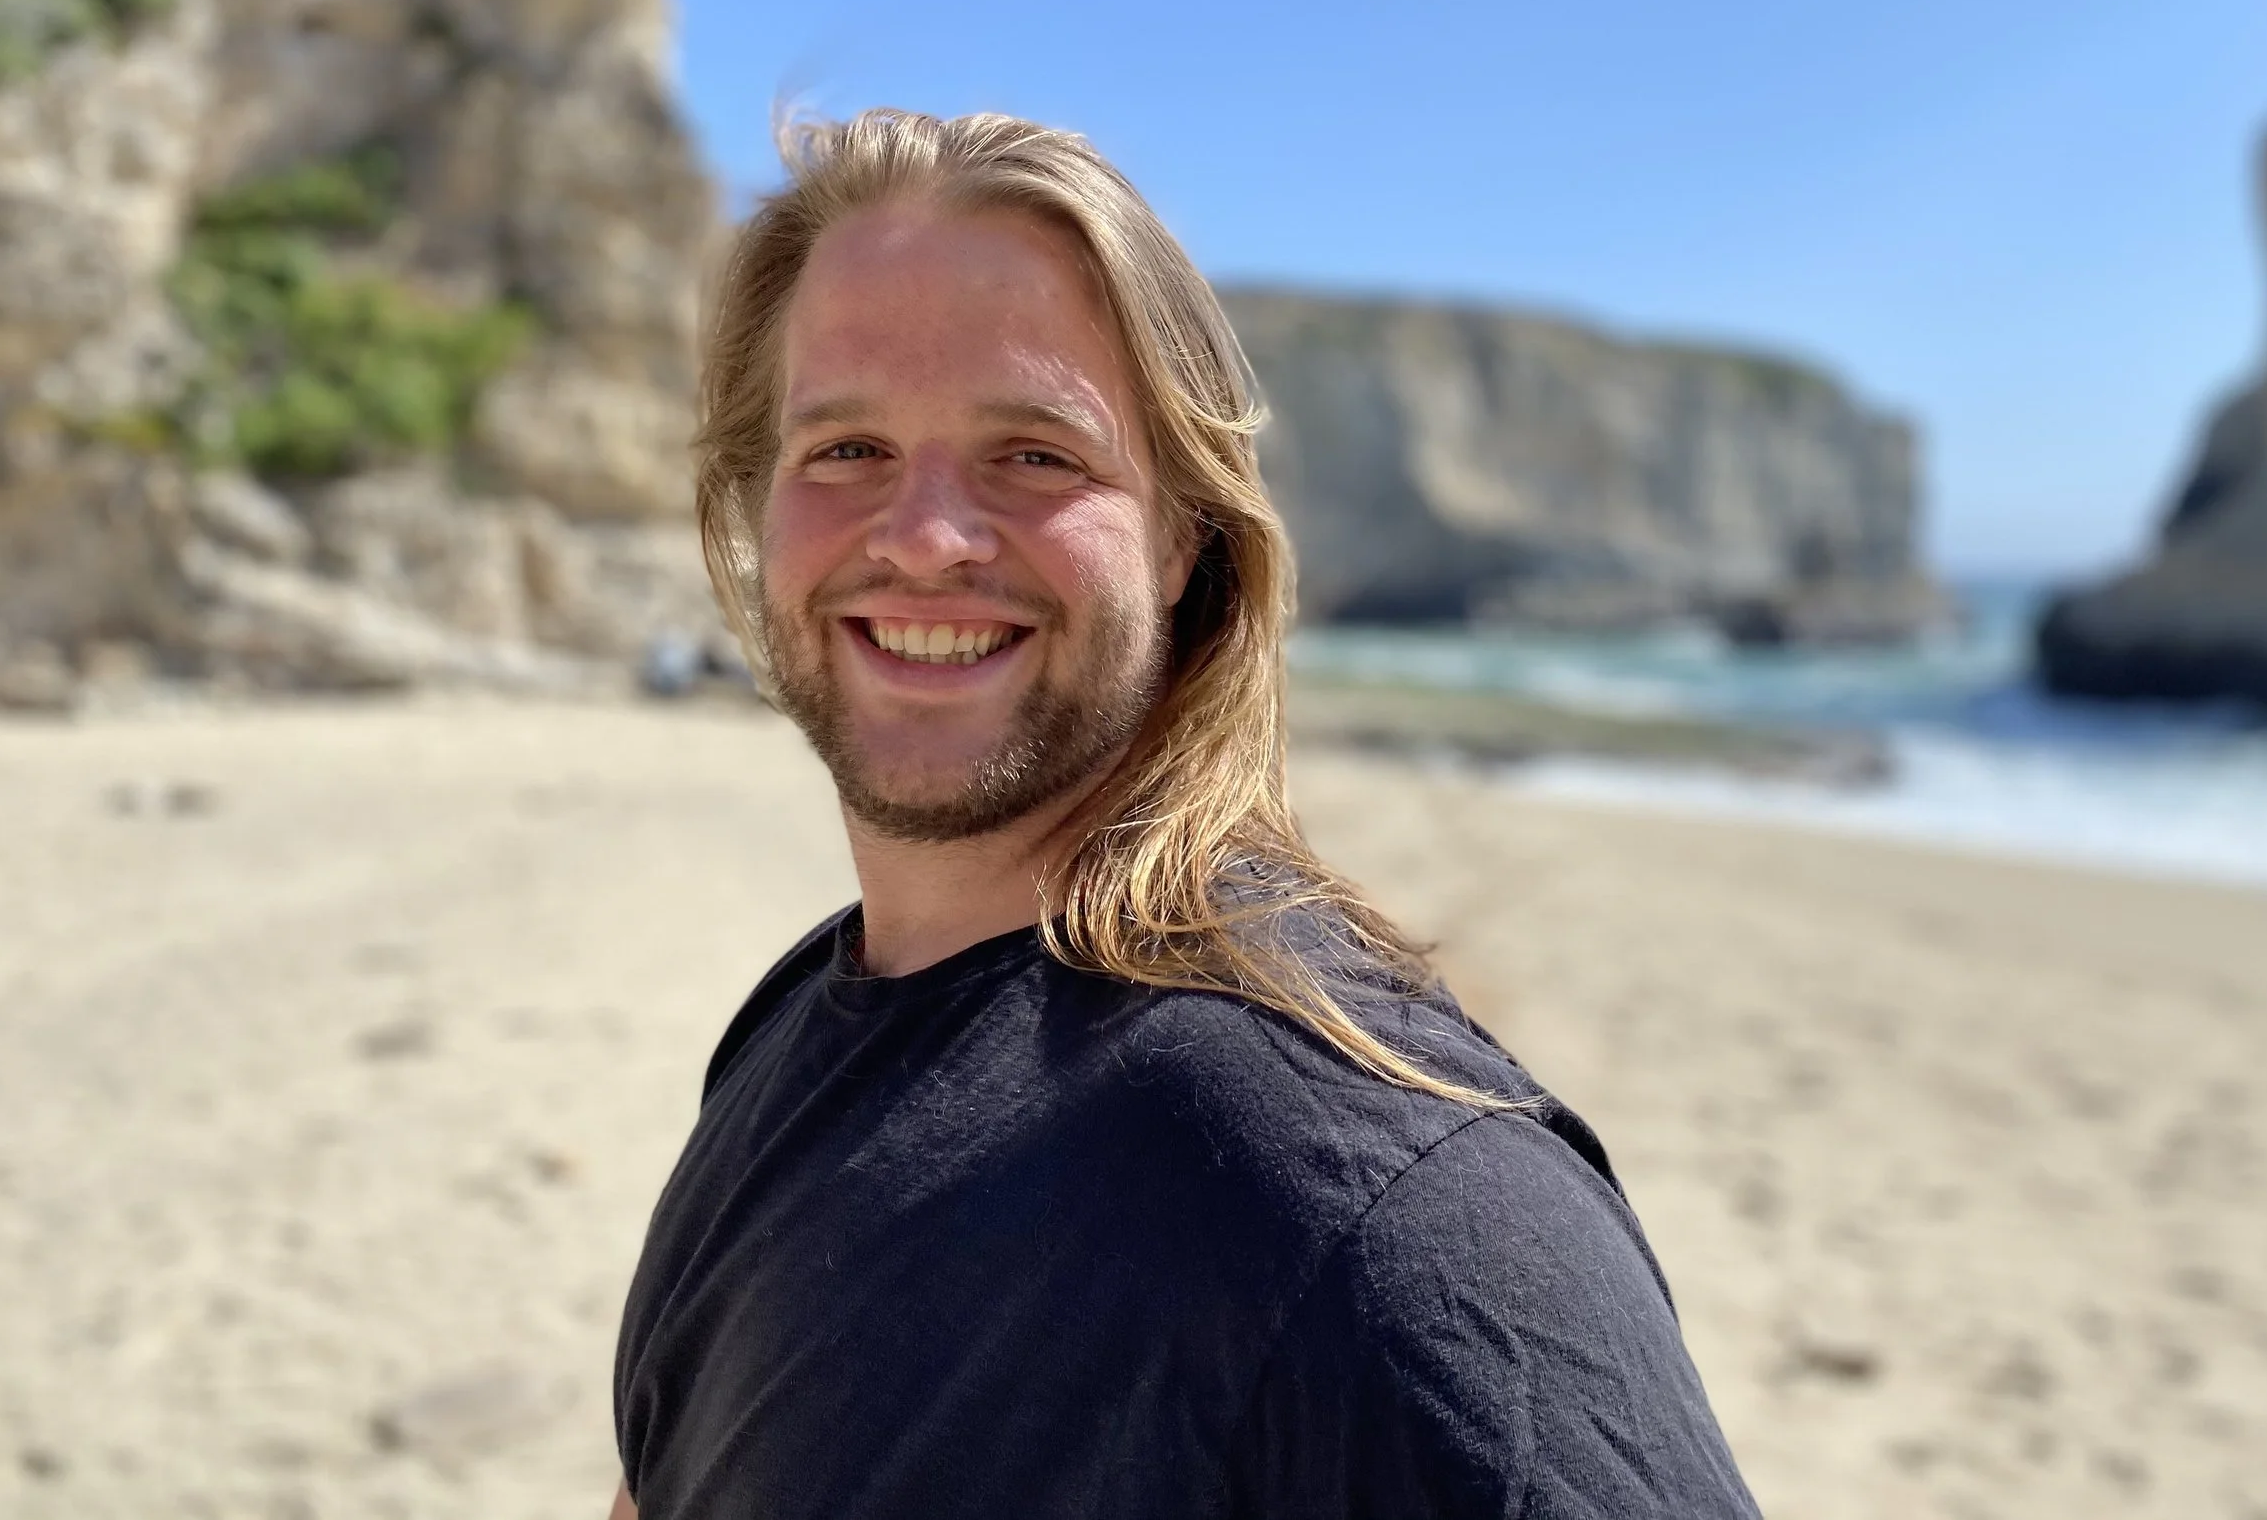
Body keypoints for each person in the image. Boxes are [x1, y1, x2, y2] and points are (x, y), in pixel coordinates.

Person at [608, 110, 1760, 1519]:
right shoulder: (799, 1019)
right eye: (844, 447)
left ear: (1180, 536)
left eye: (1035, 455)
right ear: (759, 500)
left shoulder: (1366, 1190)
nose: (920, 534)